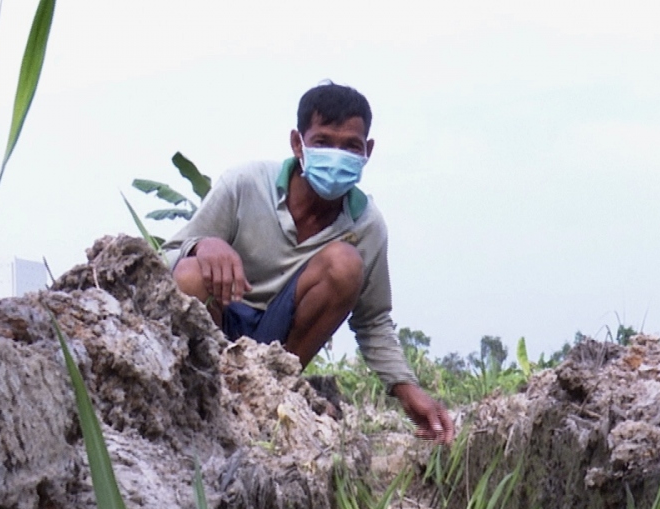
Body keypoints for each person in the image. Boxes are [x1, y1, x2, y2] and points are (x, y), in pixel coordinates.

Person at [164, 83, 455, 442]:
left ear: (368, 151)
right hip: (221, 320)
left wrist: (409, 392)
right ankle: (202, 393)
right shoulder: (245, 185)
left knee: (344, 264)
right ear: (298, 144)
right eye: (323, 142)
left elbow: (373, 320)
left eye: (351, 146)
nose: (337, 155)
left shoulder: (366, 226)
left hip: (282, 344)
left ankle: (273, 391)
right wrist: (202, 245)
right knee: (191, 273)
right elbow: (165, 261)